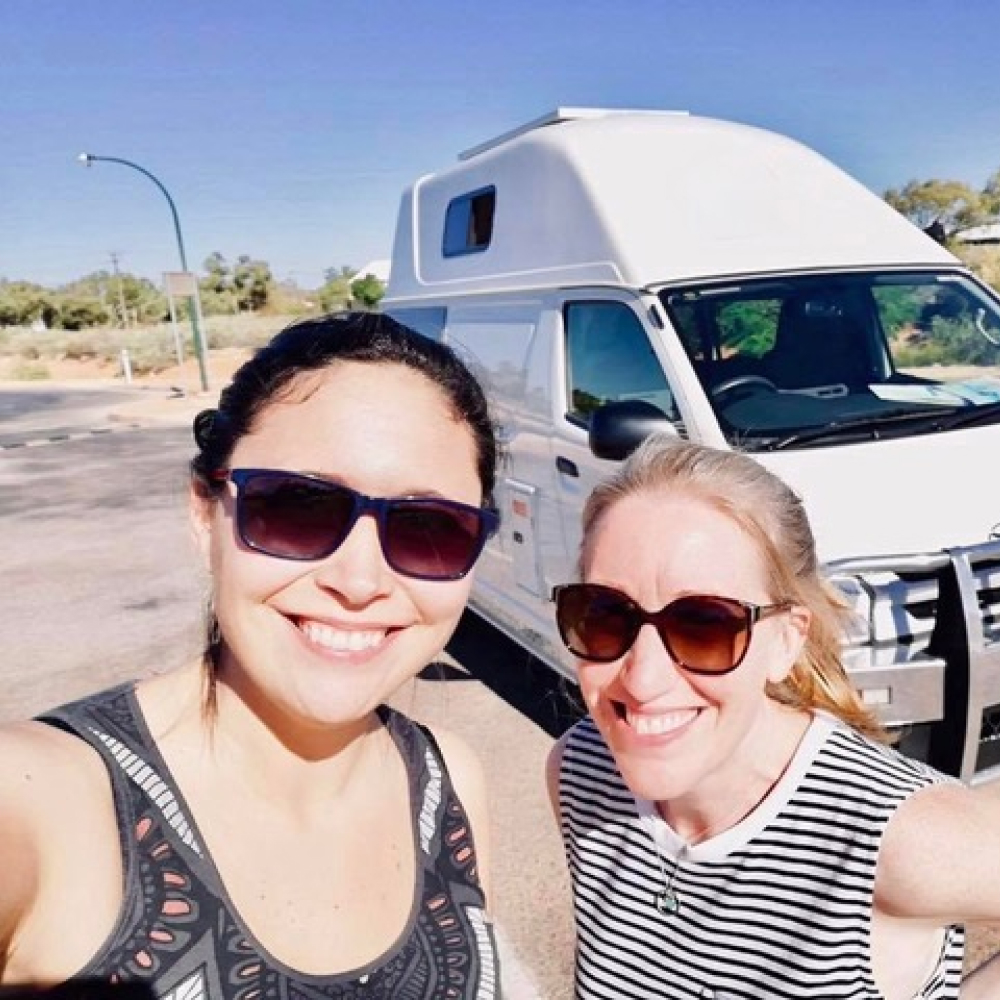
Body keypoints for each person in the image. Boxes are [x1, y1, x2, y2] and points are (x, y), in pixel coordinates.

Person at [0, 312, 502, 998]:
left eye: (429, 528)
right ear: (205, 514)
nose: (359, 582)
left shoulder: (451, 783)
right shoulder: (41, 799)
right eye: (298, 507)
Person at [547, 434, 1000, 1000]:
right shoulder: (580, 769)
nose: (643, 679)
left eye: (704, 625)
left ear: (786, 641)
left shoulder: (891, 834)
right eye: (605, 615)